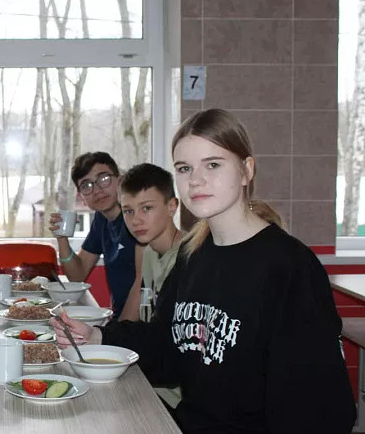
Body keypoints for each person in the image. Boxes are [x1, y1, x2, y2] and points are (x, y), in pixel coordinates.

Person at [51, 109, 356, 433]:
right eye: (184, 168)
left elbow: (320, 408)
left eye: (213, 164)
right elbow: (166, 345)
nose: (195, 180)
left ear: (246, 170)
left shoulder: (289, 266)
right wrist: (98, 336)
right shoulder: (191, 256)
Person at [118, 163, 183, 410]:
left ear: (172, 206)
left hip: (174, 398)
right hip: (146, 380)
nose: (136, 220)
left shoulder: (189, 259)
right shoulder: (147, 253)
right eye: (128, 211)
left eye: (146, 208)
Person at [49, 152, 140, 318]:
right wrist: (61, 238)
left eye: (104, 179)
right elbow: (77, 275)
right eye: (86, 186)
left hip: (143, 320)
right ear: (82, 198)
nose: (97, 190)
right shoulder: (101, 220)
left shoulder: (138, 220)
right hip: (119, 318)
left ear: (120, 181)